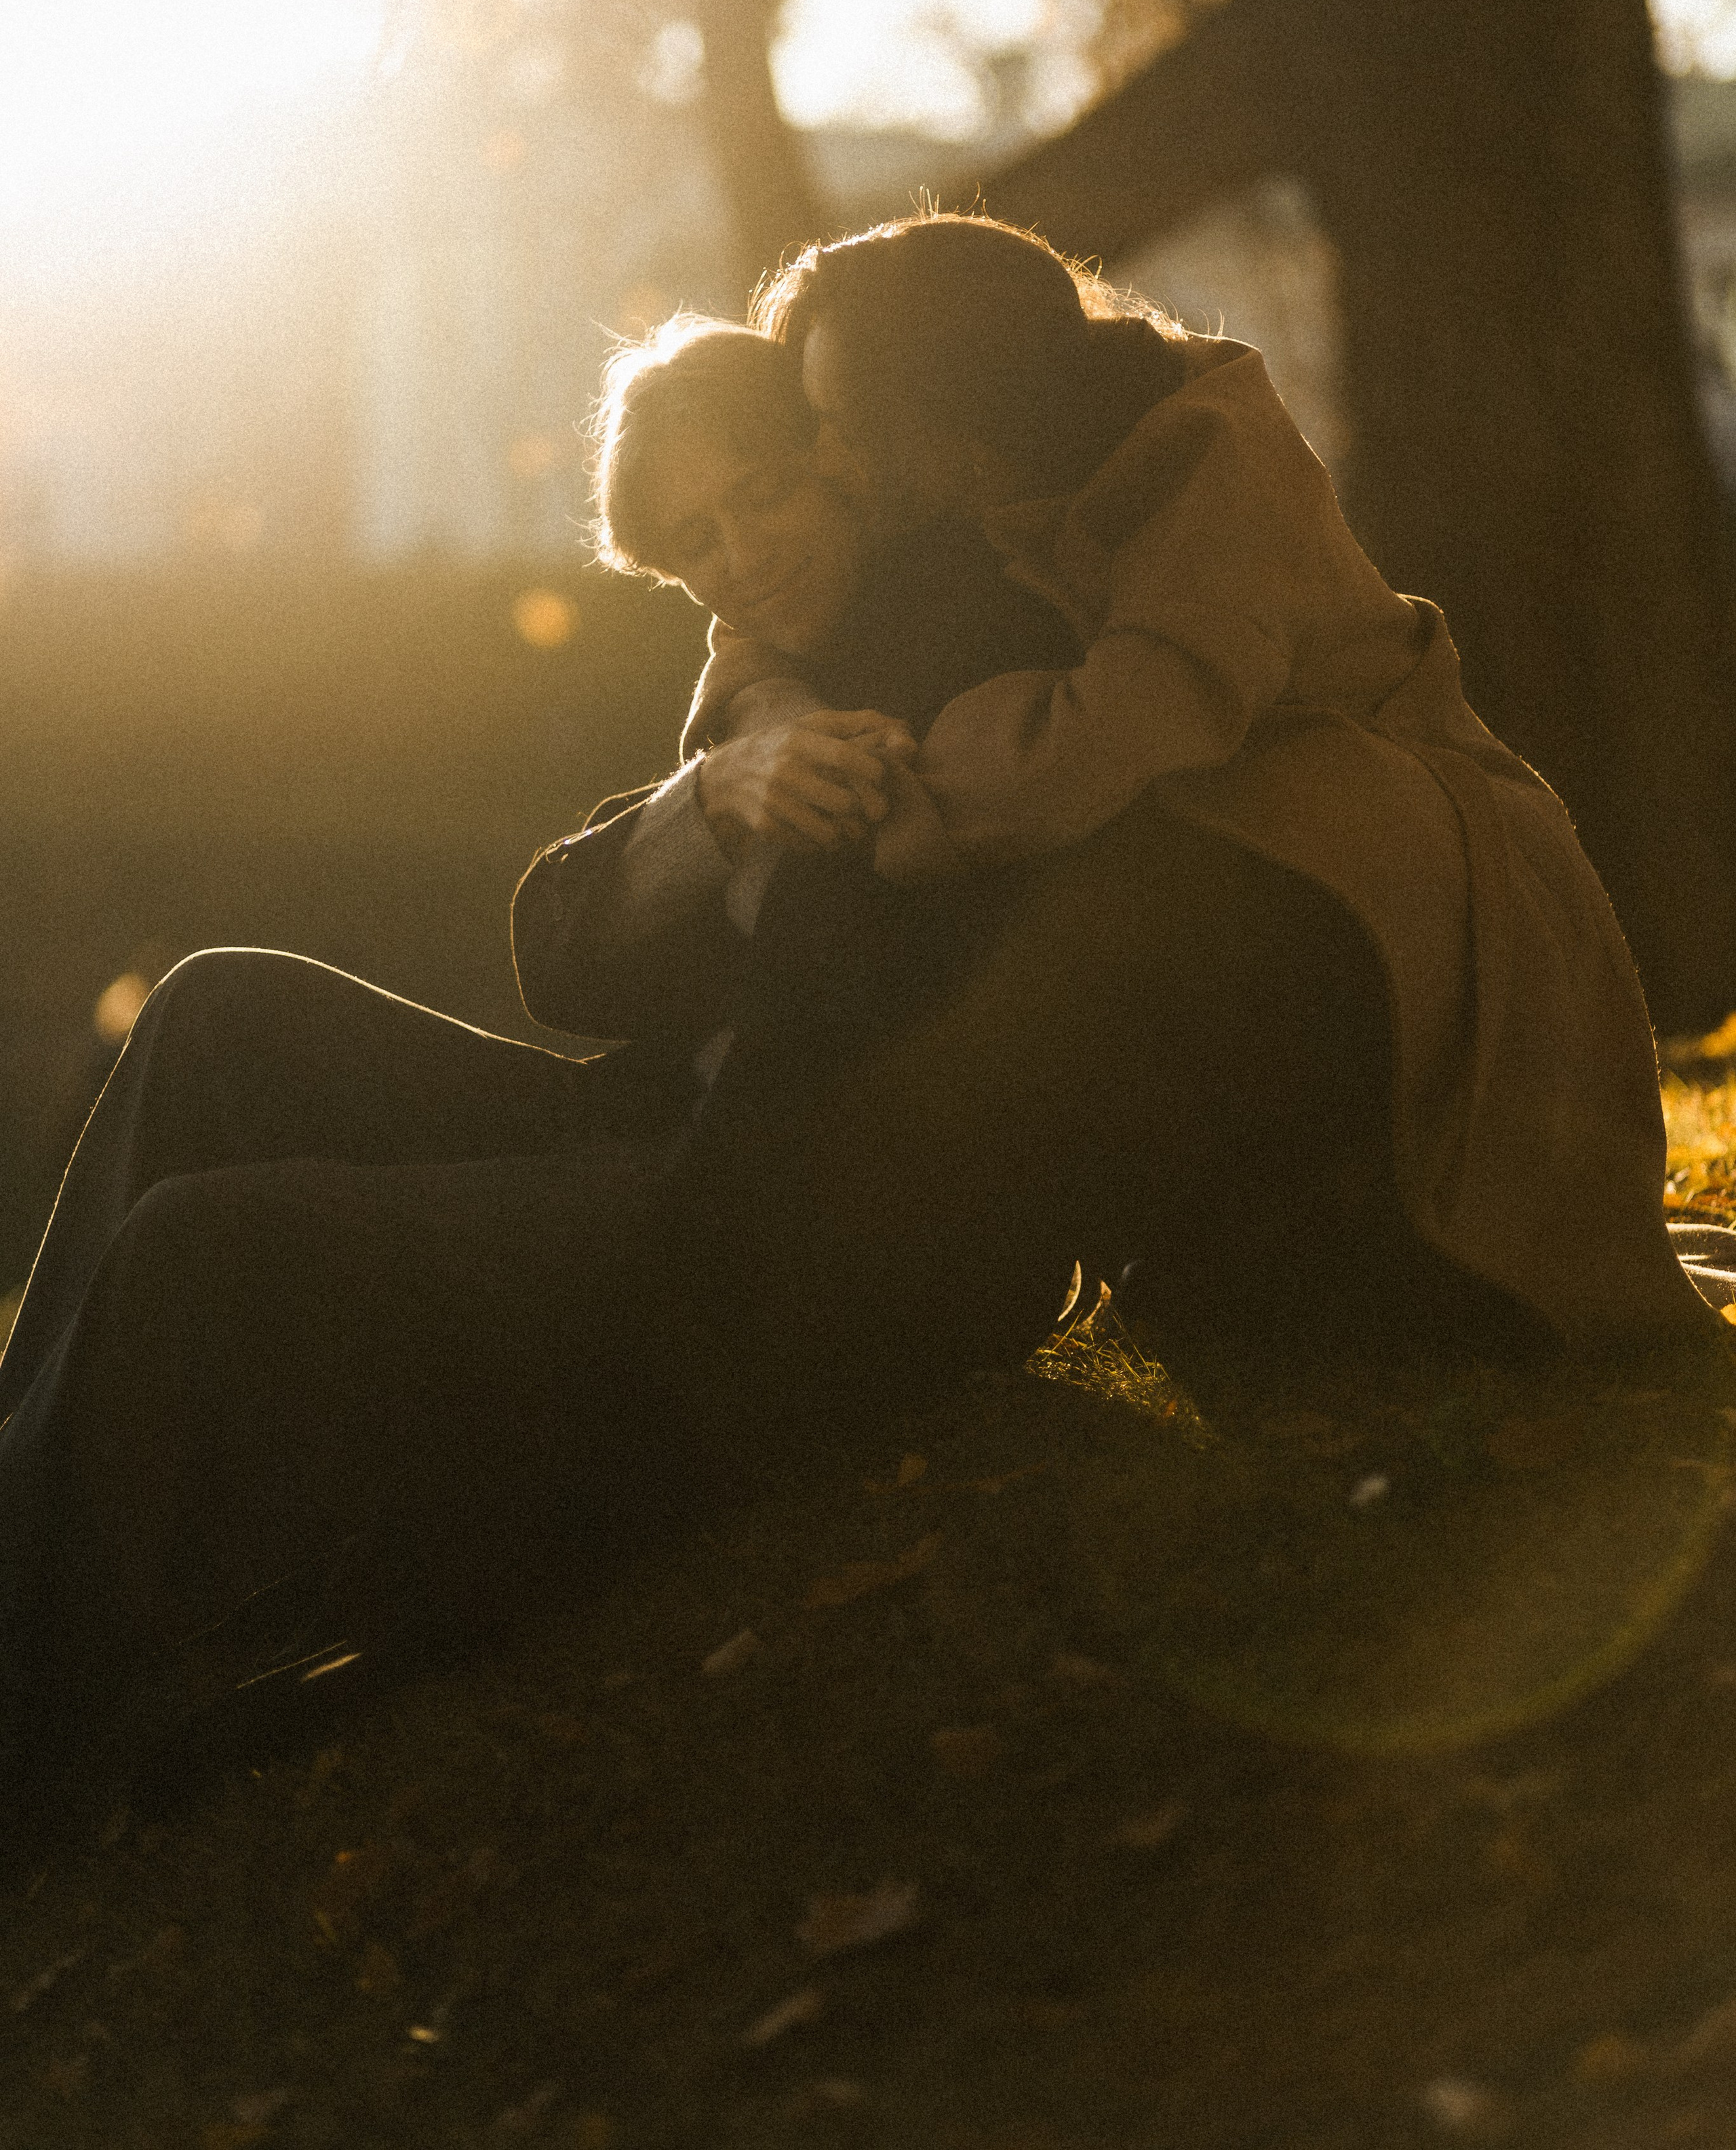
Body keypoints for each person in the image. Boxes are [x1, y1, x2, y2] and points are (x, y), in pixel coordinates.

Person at [0, 322, 1082, 1793]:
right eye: (696, 539)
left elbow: (867, 1035)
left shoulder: (942, 640)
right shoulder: (775, 672)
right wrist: (719, 793)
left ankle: (35, 1721)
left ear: (839, 464)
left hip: (784, 1228)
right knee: (219, 1006)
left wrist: (765, 747)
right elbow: (561, 953)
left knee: (210, 1250)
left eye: (761, 492)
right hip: (667, 1131)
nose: (742, 557)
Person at [663, 213, 1728, 1356]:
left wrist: (872, 779)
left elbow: (1091, 748)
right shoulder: (936, 486)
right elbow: (755, 625)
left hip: (1408, 870)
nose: (822, 460)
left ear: (944, 427)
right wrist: (775, 718)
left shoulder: (1208, 462)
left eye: (836, 427)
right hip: (1246, 841)